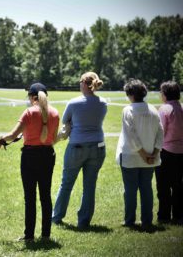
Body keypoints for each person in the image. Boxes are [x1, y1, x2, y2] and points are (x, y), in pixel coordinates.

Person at [0, 83, 59, 242]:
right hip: (48, 155)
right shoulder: (55, 113)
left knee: (30, 197)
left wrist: (2, 139)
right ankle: (46, 235)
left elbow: (12, 134)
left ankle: (29, 235)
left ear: (32, 97)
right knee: (46, 196)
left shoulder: (29, 112)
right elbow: (53, 137)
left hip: (30, 156)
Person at [52, 72, 107, 228]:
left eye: (80, 81)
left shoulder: (74, 103)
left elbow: (65, 121)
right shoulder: (103, 103)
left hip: (77, 147)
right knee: (90, 186)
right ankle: (84, 221)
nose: (79, 84)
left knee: (66, 184)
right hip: (98, 147)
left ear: (85, 83)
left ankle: (56, 217)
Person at [116, 79, 163, 228]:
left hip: (131, 156)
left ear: (130, 94)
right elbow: (161, 133)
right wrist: (154, 153)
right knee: (146, 189)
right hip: (150, 155)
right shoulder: (153, 109)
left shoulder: (128, 110)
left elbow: (131, 135)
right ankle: (147, 221)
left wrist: (143, 154)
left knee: (130, 190)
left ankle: (130, 220)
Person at [156, 81, 183, 224]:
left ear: (165, 94)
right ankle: (178, 215)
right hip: (181, 152)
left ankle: (164, 216)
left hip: (166, 152)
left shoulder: (164, 109)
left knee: (164, 186)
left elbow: (161, 132)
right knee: (178, 185)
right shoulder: (181, 107)